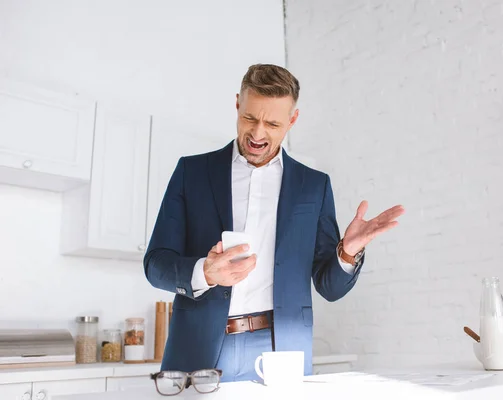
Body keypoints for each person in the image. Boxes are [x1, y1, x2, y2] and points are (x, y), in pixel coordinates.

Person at [143, 64, 404, 382]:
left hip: (281, 351)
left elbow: (329, 287)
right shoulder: (191, 173)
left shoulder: (314, 186)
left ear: (292, 120)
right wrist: (205, 272)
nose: (257, 133)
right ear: (238, 103)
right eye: (250, 117)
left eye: (272, 123)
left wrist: (347, 253)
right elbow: (156, 264)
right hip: (197, 345)